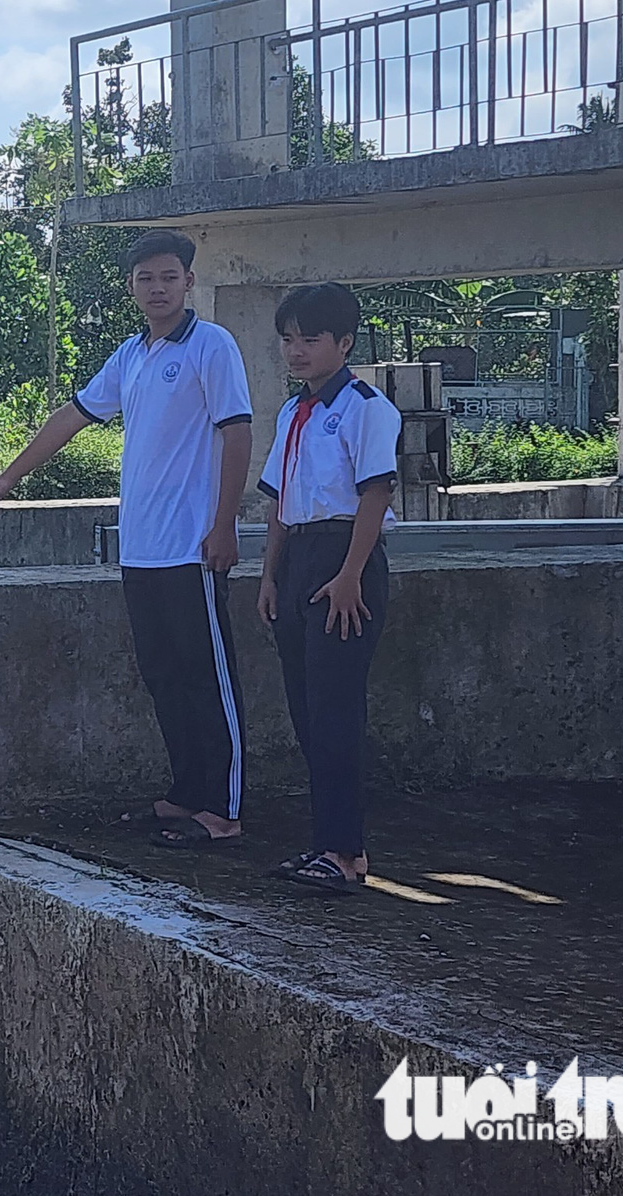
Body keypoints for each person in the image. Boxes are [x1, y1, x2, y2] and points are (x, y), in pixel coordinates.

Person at [0, 229, 254, 848]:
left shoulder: (212, 347)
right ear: (131, 286)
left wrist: (225, 523)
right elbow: (72, 416)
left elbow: (236, 434)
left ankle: (224, 809)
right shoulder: (131, 356)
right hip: (141, 547)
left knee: (207, 676)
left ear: (188, 282)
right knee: (163, 674)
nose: (158, 288)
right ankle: (187, 792)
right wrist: (9, 476)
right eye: (146, 278)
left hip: (190, 547)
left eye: (169, 277)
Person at [254, 283, 400, 895]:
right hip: (299, 560)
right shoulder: (293, 412)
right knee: (307, 711)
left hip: (348, 559)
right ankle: (325, 843)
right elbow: (281, 504)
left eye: (310, 339)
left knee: (337, 711)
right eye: (288, 339)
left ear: (343, 342)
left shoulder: (367, 407)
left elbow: (375, 493)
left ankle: (345, 852)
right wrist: (269, 573)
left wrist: (347, 575)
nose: (297, 351)